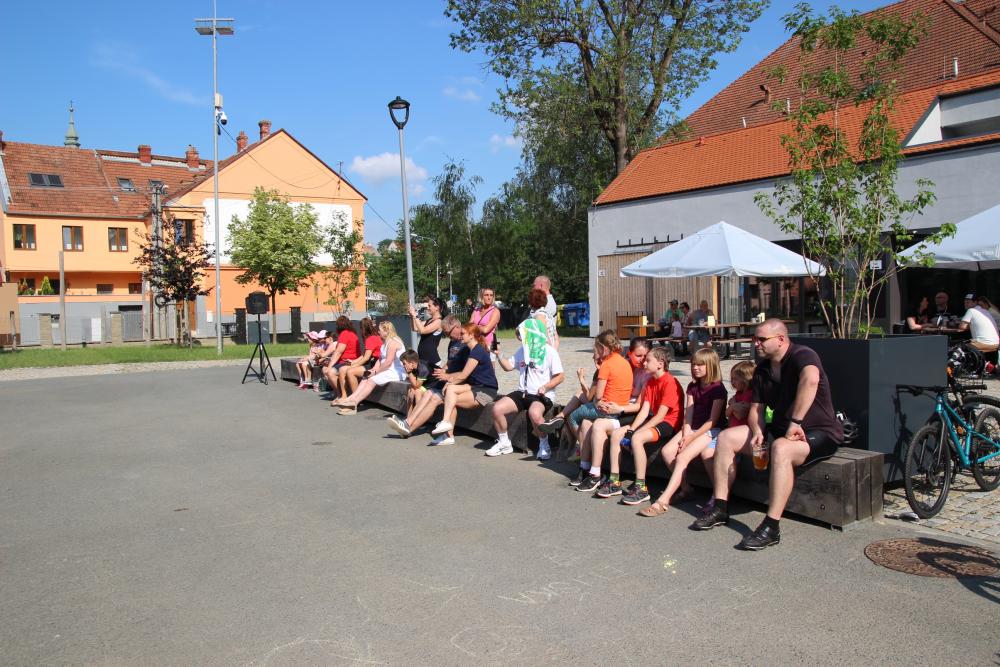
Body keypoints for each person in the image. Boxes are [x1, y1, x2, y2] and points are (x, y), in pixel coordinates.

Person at [694, 319, 844, 550]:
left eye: (761, 339)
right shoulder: (763, 368)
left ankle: (771, 526)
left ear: (781, 339)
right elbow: (757, 409)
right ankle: (720, 507)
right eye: (755, 339)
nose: (756, 343)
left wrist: (796, 422)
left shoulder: (803, 355)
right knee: (726, 438)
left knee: (781, 448)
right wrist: (756, 430)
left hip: (818, 432)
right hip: (780, 430)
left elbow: (811, 380)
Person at [578, 346, 683, 503]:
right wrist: (632, 429)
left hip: (669, 422)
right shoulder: (650, 382)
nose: (644, 363)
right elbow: (644, 411)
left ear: (660, 364)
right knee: (617, 434)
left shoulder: (670, 382)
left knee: (637, 438)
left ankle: (641, 487)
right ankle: (614, 481)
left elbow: (661, 416)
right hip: (654, 420)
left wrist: (636, 432)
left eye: (648, 360)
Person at [637, 348, 727, 514]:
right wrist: (686, 434)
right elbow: (689, 414)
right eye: (693, 364)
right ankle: (686, 489)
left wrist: (691, 437)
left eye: (700, 365)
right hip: (692, 428)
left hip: (710, 430)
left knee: (682, 457)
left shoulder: (718, 389)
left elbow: (712, 421)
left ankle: (662, 502)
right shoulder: (692, 386)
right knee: (667, 452)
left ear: (711, 365)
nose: (695, 368)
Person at [538, 330, 632, 470]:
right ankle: (561, 420)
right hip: (621, 406)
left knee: (572, 417)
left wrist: (583, 380)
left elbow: (597, 396)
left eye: (596, 350)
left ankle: (583, 448)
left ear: (603, 348)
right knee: (580, 400)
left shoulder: (606, 365)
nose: (594, 354)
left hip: (605, 409)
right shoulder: (624, 362)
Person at [577, 338, 652, 483]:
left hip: (629, 412)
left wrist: (620, 408)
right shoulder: (623, 365)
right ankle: (585, 467)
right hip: (615, 407)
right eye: (638, 356)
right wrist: (600, 402)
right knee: (586, 423)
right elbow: (603, 389)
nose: (642, 360)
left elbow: (640, 406)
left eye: (645, 356)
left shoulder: (646, 374)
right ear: (629, 353)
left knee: (598, 424)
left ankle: (596, 473)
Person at [490, 319, 565, 458]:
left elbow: (560, 377)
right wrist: (499, 354)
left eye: (521, 334)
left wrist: (546, 387)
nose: (519, 337)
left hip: (540, 395)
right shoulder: (523, 350)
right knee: (497, 408)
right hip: (522, 393)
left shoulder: (549, 351)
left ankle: (544, 444)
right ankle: (504, 443)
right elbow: (508, 367)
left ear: (531, 334)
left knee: (534, 413)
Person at [386, 315, 465, 438]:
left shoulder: (466, 344)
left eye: (447, 332)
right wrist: (442, 370)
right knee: (428, 393)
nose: (446, 335)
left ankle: (408, 428)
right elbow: (450, 362)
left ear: (457, 327)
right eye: (445, 333)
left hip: (457, 381)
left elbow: (466, 371)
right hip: (448, 377)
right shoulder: (453, 342)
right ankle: (407, 424)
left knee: (430, 396)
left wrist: (448, 376)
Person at [429, 323, 501, 447]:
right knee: (450, 391)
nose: (460, 336)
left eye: (463, 334)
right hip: (476, 386)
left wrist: (449, 380)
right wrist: (450, 383)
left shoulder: (477, 351)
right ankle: (447, 432)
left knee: (451, 400)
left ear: (471, 335)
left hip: (486, 390)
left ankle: (447, 430)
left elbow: (463, 375)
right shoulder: (471, 349)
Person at [331, 321, 408, 414]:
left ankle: (354, 403)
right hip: (387, 369)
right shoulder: (386, 342)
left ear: (386, 330)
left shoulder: (393, 342)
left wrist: (375, 372)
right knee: (366, 376)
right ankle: (351, 399)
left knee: (371, 380)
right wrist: (373, 370)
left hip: (396, 371)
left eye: (379, 330)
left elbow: (388, 362)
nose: (378, 332)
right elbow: (380, 360)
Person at [335, 317, 381, 400]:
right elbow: (364, 355)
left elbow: (366, 358)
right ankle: (344, 396)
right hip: (374, 362)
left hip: (376, 365)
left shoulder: (370, 339)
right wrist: (353, 362)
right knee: (342, 369)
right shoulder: (374, 337)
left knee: (350, 371)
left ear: (363, 329)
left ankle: (355, 398)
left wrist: (353, 365)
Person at [322, 316, 361, 395]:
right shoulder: (352, 333)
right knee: (325, 368)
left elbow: (338, 352)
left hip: (347, 361)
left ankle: (340, 394)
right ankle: (338, 393)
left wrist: (330, 366)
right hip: (351, 360)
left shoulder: (344, 334)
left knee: (330, 372)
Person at [409, 296, 444, 376]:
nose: (428, 308)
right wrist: (411, 316)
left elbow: (423, 330)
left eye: (429, 306)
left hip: (432, 360)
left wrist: (415, 316)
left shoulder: (439, 321)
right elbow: (414, 328)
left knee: (428, 382)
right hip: (423, 359)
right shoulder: (429, 320)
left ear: (437, 307)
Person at [470, 287, 501, 353]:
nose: (489, 297)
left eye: (491, 295)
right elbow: (469, 326)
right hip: (475, 343)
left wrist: (474, 326)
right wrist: (480, 327)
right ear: (481, 297)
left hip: (489, 346)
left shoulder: (495, 311)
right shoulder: (476, 310)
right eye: (486, 295)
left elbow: (485, 330)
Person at [533, 275, 560, 348]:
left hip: (544, 346)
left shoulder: (547, 304)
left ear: (541, 286)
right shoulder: (545, 302)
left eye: (534, 286)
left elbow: (544, 328)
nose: (533, 288)